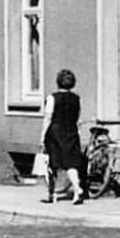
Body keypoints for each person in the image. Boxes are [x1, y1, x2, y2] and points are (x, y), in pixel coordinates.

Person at [38, 68, 85, 205]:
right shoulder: (76, 99)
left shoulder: (52, 98)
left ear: (58, 82)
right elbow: (77, 117)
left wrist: (42, 137)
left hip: (55, 133)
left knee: (52, 163)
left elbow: (48, 117)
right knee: (71, 163)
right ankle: (77, 189)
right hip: (71, 131)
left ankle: (52, 194)